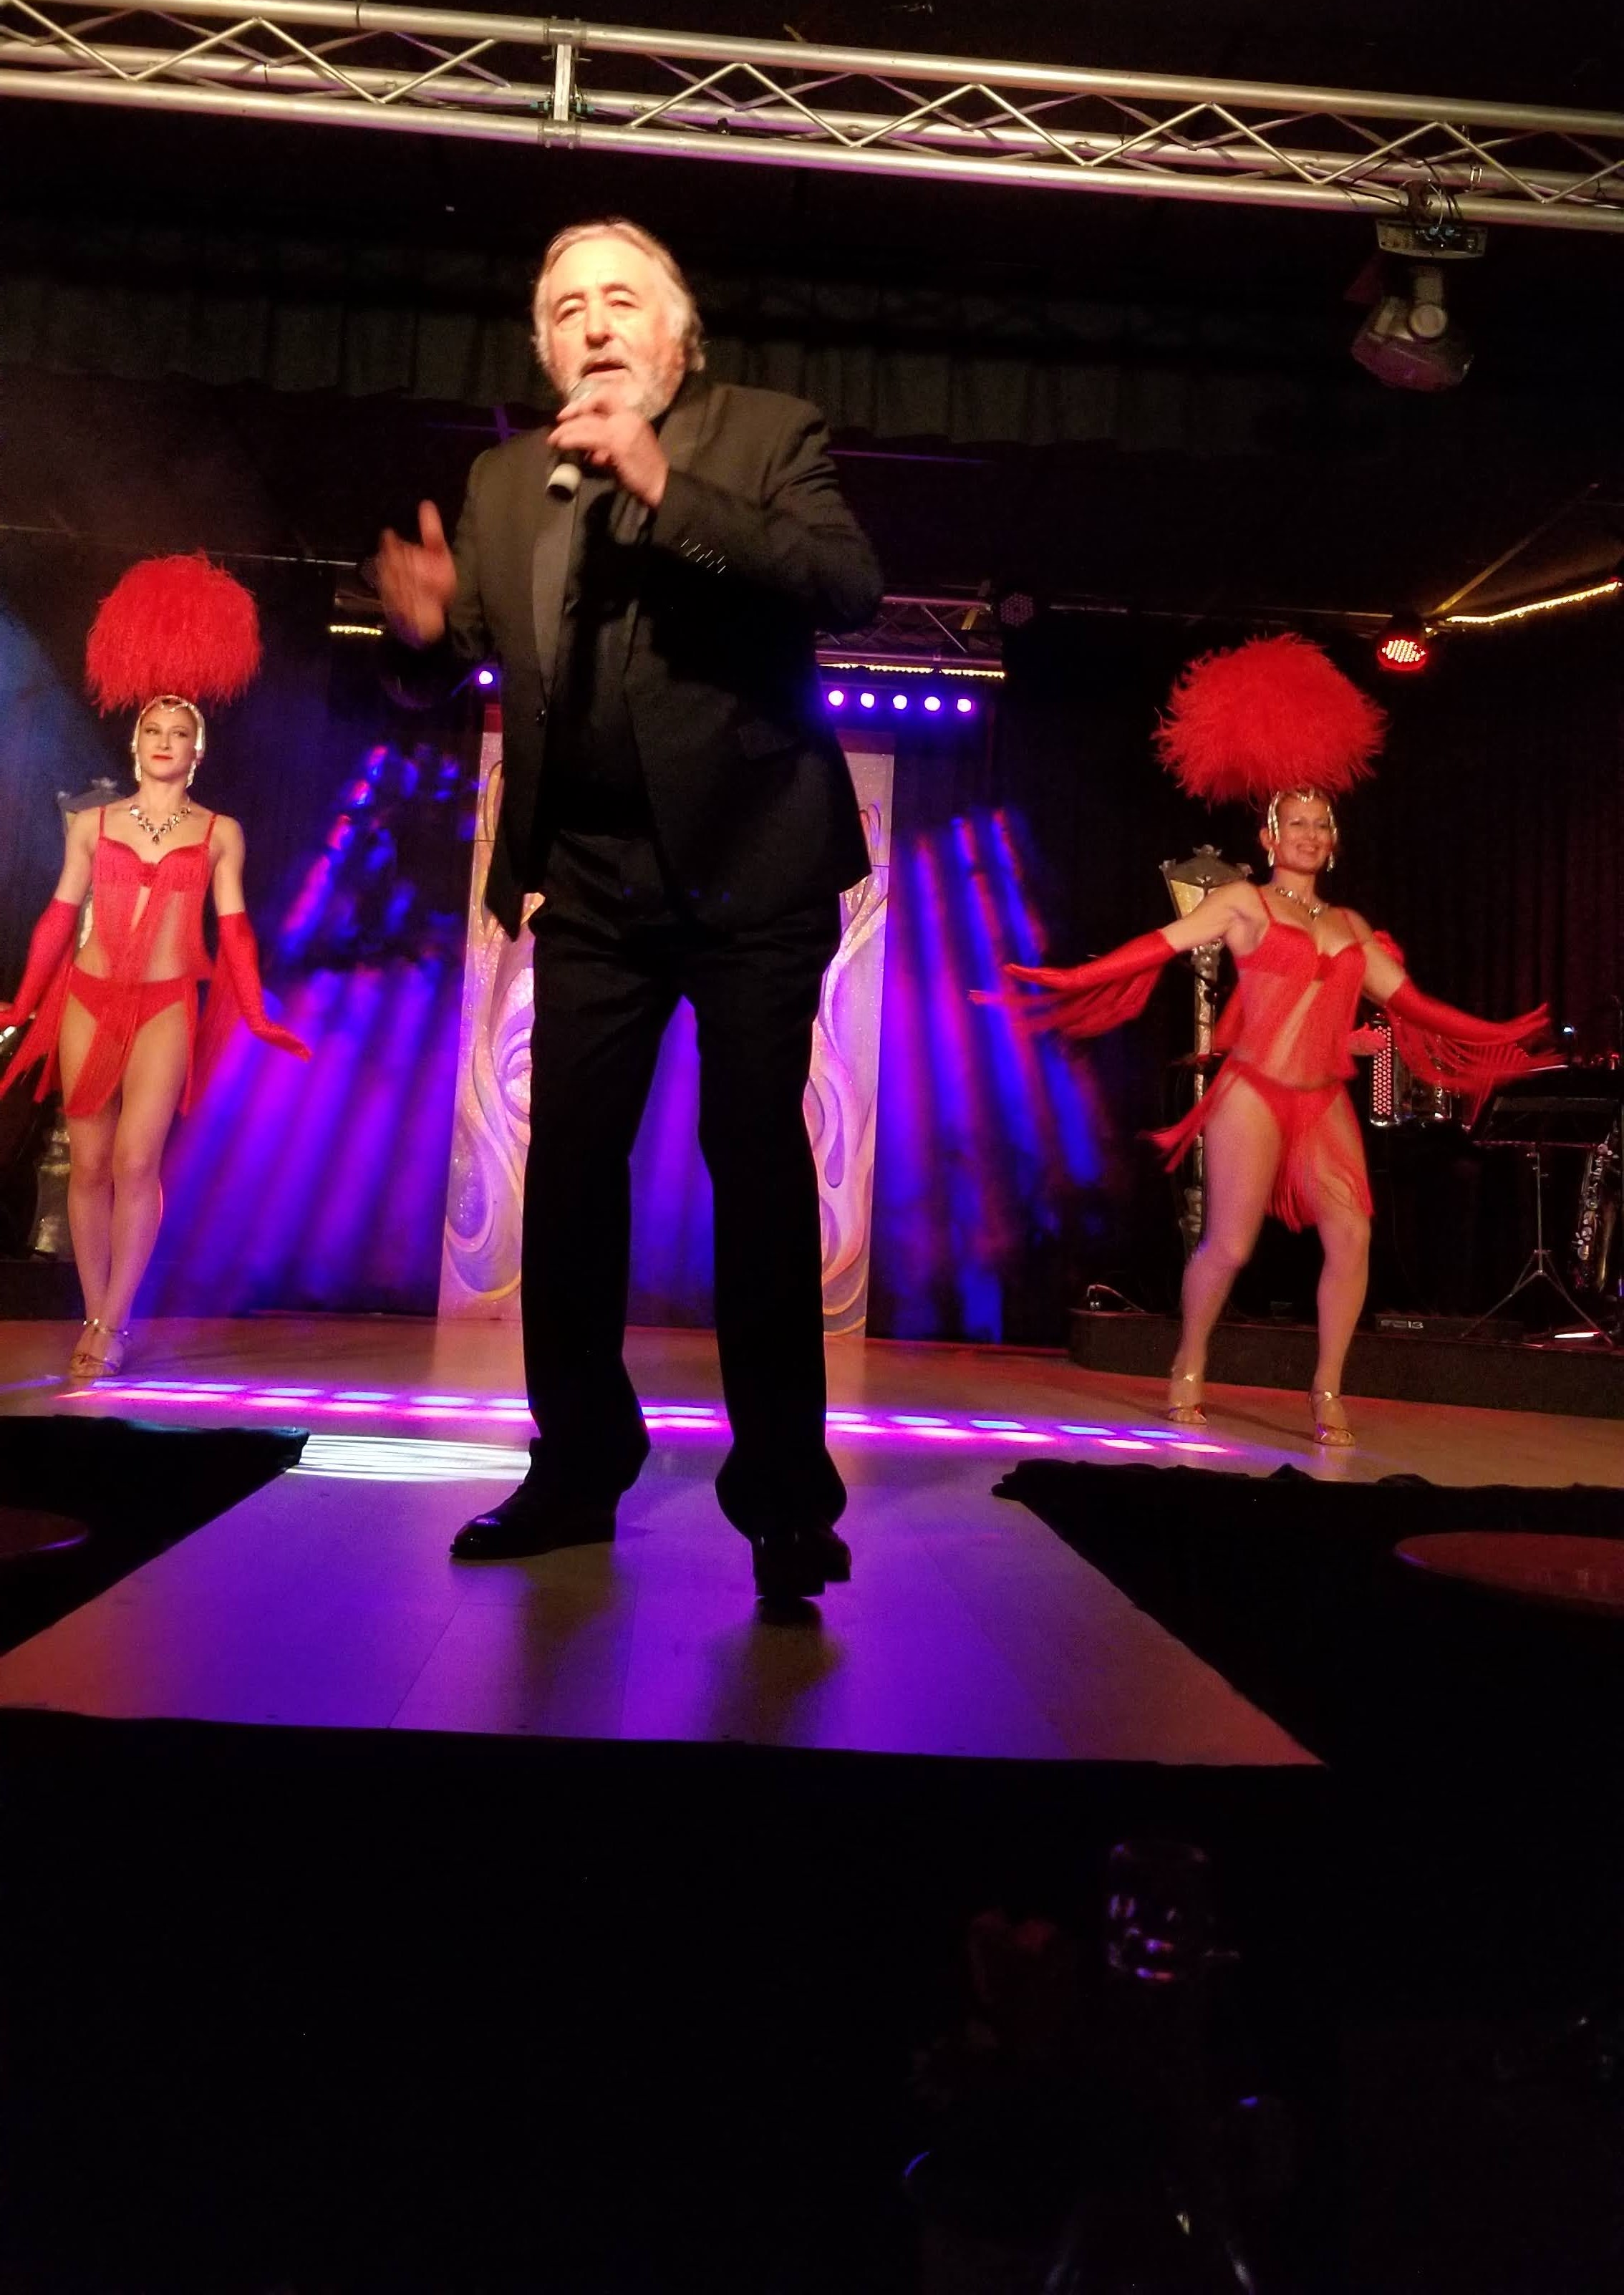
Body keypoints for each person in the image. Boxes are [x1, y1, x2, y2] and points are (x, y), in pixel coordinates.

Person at [377, 217, 884, 1603]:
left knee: (755, 1164)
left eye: (619, 299)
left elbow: (844, 584)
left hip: (751, 867)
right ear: (544, 348)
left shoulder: (763, 432)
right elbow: (460, 661)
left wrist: (663, 483)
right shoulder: (501, 482)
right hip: (592, 877)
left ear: (678, 332)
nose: (593, 324)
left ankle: (784, 1500)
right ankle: (578, 1465)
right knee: (568, 1171)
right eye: (565, 308)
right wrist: (421, 635)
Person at [1003, 637, 1550, 1447]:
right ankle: (1190, 1361)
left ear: (1333, 839)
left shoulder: (1352, 926)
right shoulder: (1243, 904)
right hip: (1254, 1090)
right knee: (1230, 1244)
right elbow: (1157, 945)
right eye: (1296, 823)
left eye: (1320, 824)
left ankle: (1327, 1390)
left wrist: (1502, 1036)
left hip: (1322, 1099)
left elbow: (1417, 1006)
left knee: (1354, 1234)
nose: (1309, 833)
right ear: (1269, 836)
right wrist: (1068, 979)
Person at [0, 556, 309, 1379]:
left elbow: (235, 931)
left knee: (138, 1162)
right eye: (153, 732)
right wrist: (22, 1003)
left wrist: (256, 1012)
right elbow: (58, 917)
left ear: (198, 750)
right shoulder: (92, 824)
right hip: (89, 998)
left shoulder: (219, 832)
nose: (165, 743)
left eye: (179, 734)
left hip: (168, 1003)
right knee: (89, 1164)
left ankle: (116, 1321)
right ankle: (94, 1312)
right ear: (135, 743)